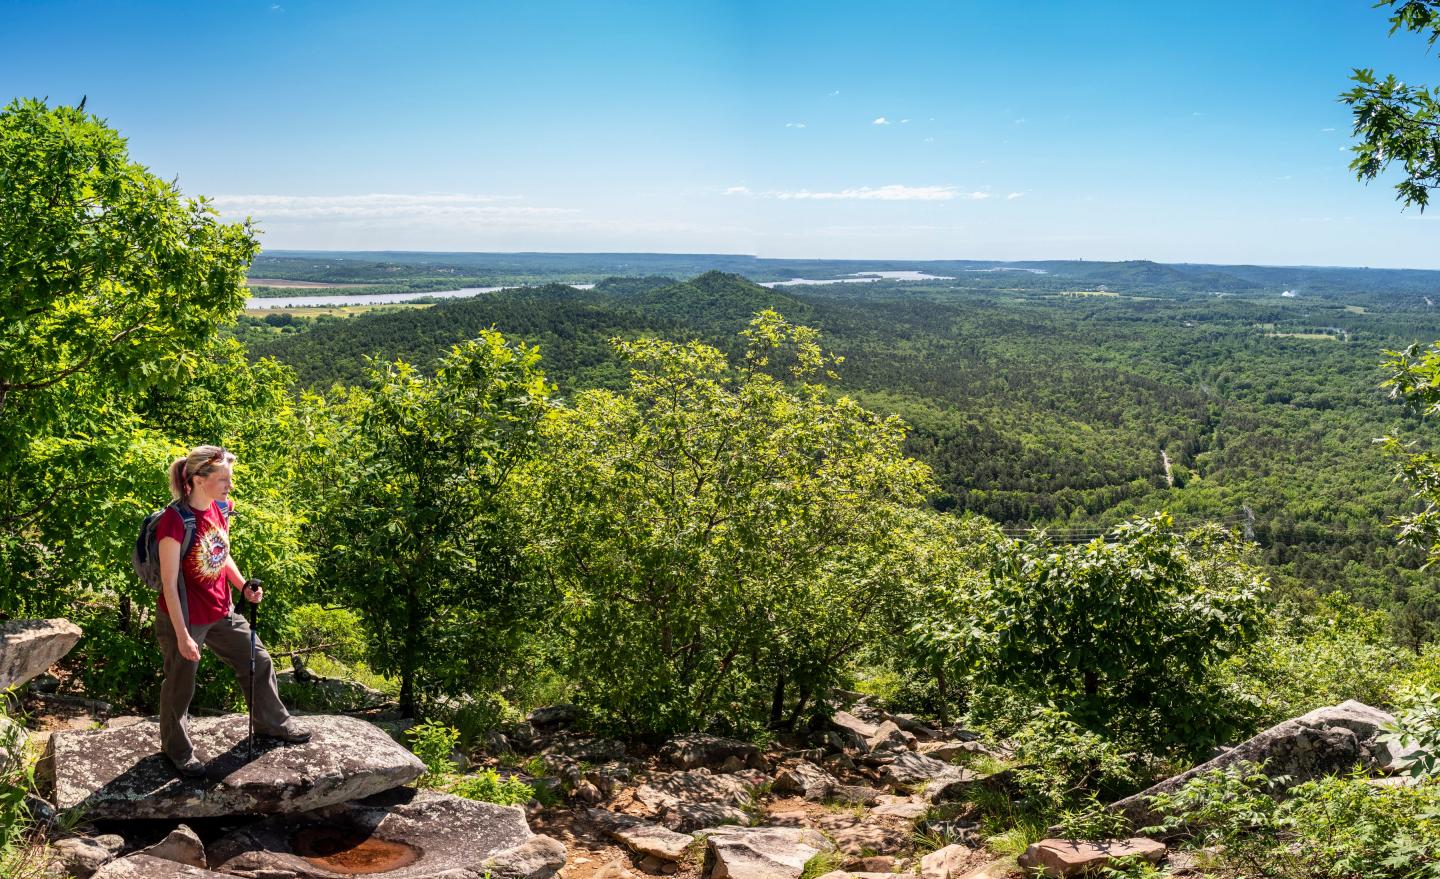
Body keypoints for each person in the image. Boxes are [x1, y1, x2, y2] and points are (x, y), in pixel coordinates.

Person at [155, 444, 308, 778]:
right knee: (180, 684)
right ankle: (177, 751)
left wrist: (242, 586)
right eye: (223, 478)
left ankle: (272, 724)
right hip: (184, 616)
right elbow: (168, 584)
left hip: (220, 609)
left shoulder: (219, 508)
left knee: (258, 659)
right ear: (197, 479)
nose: (230, 484)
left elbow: (220, 554)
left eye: (230, 478)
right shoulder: (174, 522)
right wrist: (182, 636)